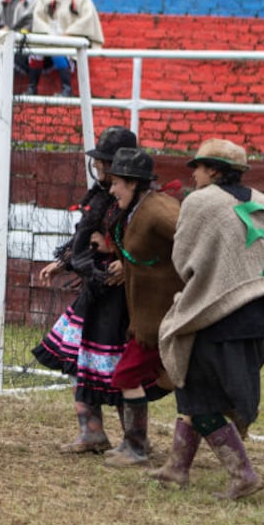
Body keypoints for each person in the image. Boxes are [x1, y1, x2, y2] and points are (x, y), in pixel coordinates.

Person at [156, 139, 264, 499]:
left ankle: (242, 474)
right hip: (262, 309)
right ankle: (177, 466)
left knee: (198, 392)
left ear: (213, 170)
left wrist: (207, 280)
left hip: (224, 309)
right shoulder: (263, 200)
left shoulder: (202, 201)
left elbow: (182, 257)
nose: (192, 175)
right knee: (199, 387)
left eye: (197, 167)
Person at [33, 127, 138, 453]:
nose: (100, 168)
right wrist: (65, 262)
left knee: (119, 366)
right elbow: (85, 236)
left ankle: (134, 440)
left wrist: (121, 259)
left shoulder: (137, 200)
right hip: (94, 289)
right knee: (81, 358)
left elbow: (138, 241)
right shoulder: (100, 195)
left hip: (119, 297)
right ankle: (91, 430)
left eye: (105, 162)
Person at [101, 147, 181, 466]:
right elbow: (143, 250)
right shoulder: (139, 209)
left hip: (161, 319)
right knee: (159, 377)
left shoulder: (160, 210)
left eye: (116, 182)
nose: (111, 189)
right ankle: (137, 443)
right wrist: (125, 265)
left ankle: (136, 446)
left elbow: (193, 237)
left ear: (133, 183)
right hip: (147, 317)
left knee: (126, 375)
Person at [28, 0, 104, 97]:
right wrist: (49, 33)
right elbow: (38, 17)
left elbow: (86, 19)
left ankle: (67, 89)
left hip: (71, 41)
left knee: (58, 51)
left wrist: (68, 34)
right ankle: (32, 87)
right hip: (49, 38)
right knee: (35, 53)